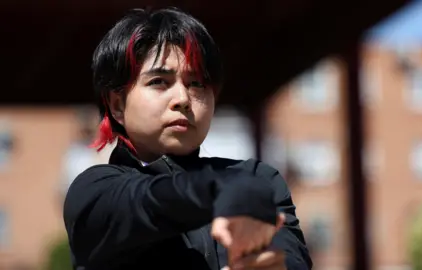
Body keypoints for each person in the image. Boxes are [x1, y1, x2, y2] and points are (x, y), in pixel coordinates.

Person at [63, 7, 312, 270]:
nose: (182, 99)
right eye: (159, 81)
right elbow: (145, 202)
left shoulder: (260, 180)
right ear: (117, 105)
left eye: (197, 84)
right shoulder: (95, 190)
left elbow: (292, 259)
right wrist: (221, 190)